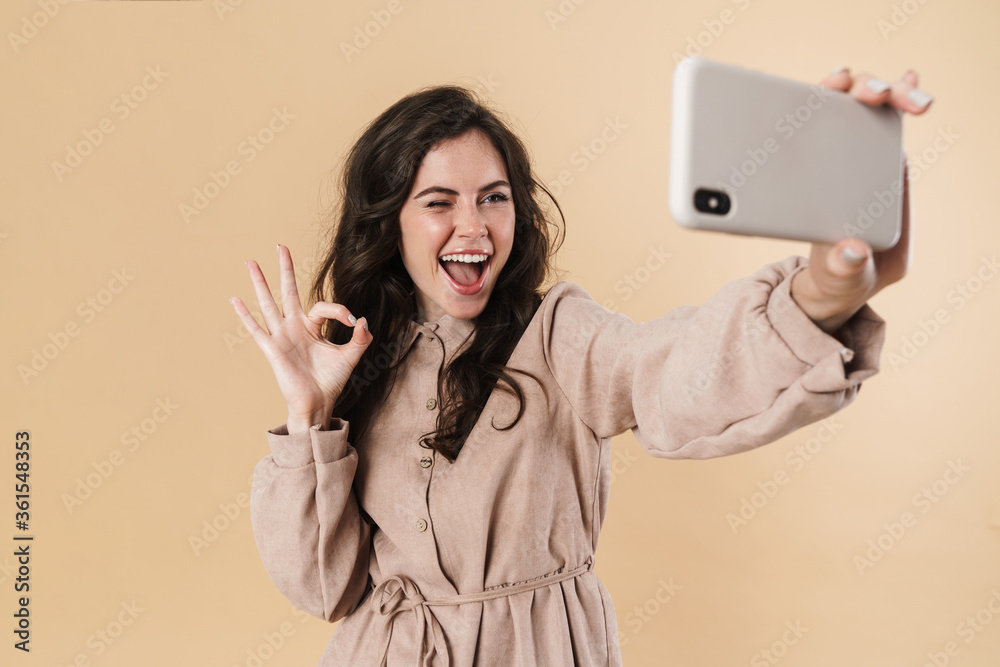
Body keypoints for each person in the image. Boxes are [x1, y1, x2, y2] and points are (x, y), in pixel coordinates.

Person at [228, 66, 932, 666]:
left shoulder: (559, 332)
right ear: (391, 223)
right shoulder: (365, 359)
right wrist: (310, 416)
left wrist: (816, 298)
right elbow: (320, 587)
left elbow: (671, 369)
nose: (473, 228)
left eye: (493, 199)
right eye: (438, 202)